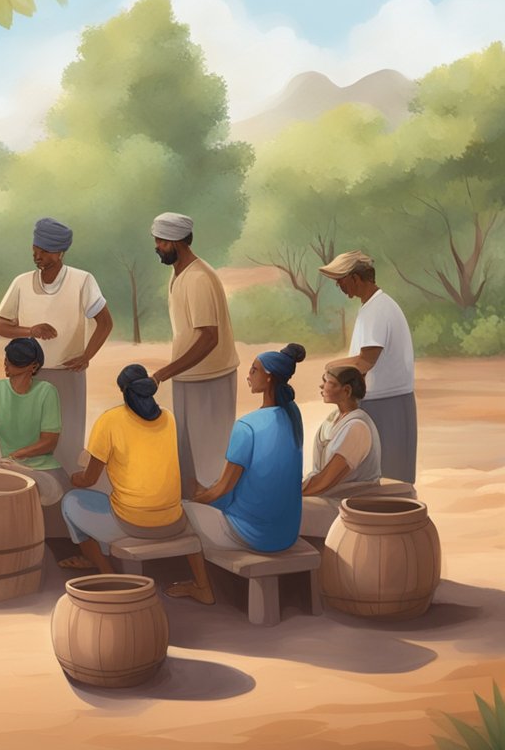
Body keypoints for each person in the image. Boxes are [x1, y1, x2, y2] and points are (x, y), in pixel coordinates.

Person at [58, 365, 214, 604]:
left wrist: (74, 478)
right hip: (174, 520)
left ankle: (106, 573)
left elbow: (88, 479)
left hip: (133, 525)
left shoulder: (110, 420)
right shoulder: (169, 418)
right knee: (127, 496)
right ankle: (203, 587)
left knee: (71, 501)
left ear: (123, 391)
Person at [178, 344, 306, 588]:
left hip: (255, 535)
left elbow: (222, 489)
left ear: (268, 377)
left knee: (184, 508)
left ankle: (202, 588)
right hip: (287, 531)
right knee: (205, 491)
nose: (248, 376)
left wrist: (194, 501)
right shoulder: (293, 415)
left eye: (254, 370)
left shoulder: (246, 426)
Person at [0, 218, 113, 472]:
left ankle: (66, 495)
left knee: (68, 442)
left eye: (45, 250)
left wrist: (86, 356)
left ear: (60, 253)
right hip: (28, 375)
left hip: (68, 375)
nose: (37, 255)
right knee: (27, 442)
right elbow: (1, 326)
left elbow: (105, 323)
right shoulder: (21, 282)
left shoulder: (82, 280)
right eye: (36, 247)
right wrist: (31, 330)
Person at [149, 212, 240, 500]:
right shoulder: (178, 274)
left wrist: (163, 373)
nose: (157, 246)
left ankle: (216, 520)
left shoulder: (199, 278)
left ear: (178, 242)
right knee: (187, 454)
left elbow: (209, 338)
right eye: (157, 240)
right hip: (188, 377)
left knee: (210, 458)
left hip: (210, 378)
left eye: (161, 241)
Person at [319, 250, 416, 483]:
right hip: (384, 401)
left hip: (386, 404)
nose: (340, 287)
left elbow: (365, 361)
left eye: (340, 281)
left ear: (355, 278)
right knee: (377, 478)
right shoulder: (373, 306)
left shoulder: (377, 310)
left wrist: (331, 366)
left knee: (388, 478)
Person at [0, 338, 64, 504]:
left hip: (40, 467)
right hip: (6, 465)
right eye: (7, 359)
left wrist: (16, 456)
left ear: (33, 366)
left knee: (47, 492)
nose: (7, 364)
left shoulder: (47, 391)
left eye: (15, 362)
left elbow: (49, 442)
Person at [303, 365, 382, 497]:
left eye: (327, 382)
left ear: (346, 391)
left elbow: (325, 481)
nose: (321, 386)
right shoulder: (332, 419)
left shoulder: (357, 427)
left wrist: (290, 494)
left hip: (350, 502)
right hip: (327, 495)